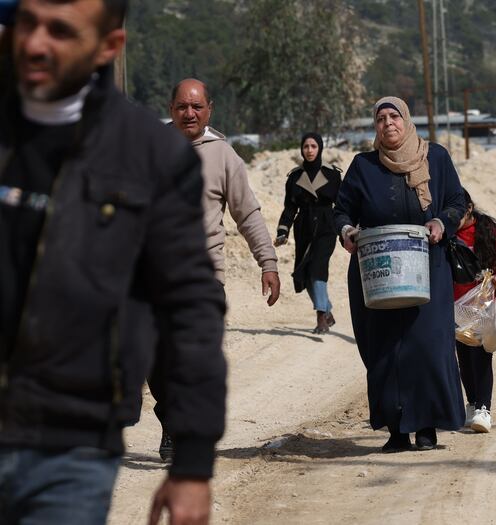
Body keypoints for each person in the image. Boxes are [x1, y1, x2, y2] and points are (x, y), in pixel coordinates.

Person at [0, 2, 226, 524]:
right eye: (28, 23)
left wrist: (193, 463)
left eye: (61, 31)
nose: (36, 43)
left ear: (109, 46)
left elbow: (189, 308)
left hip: (71, 445)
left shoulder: (150, 154)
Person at [153, 78, 280, 460]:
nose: (189, 113)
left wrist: (268, 262)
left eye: (196, 106)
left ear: (209, 110)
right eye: (181, 107)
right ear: (171, 110)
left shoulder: (224, 156)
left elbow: (247, 213)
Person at [334, 96, 466, 453]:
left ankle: (426, 426)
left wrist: (441, 222)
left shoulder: (436, 157)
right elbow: (342, 210)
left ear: (407, 121)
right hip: (378, 270)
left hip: (428, 267)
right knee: (385, 349)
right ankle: (396, 430)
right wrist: (347, 232)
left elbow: (457, 202)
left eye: (394, 116)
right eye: (381, 118)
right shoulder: (363, 166)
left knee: (428, 345)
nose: (388, 123)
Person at [454, 189, 496, 434]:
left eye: (456, 212)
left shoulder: (488, 230)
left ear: (469, 209)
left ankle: (483, 409)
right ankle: (471, 404)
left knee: (481, 356)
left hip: (483, 305)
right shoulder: (446, 234)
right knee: (464, 360)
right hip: (455, 308)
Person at [275, 132, 341, 334]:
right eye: (306, 146)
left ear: (320, 148)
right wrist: (283, 230)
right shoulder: (294, 177)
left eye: (313, 146)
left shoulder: (332, 175)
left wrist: (346, 229)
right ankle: (327, 310)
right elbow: (289, 208)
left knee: (317, 269)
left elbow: (342, 205)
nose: (309, 150)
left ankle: (321, 316)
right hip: (303, 228)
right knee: (303, 272)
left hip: (326, 226)